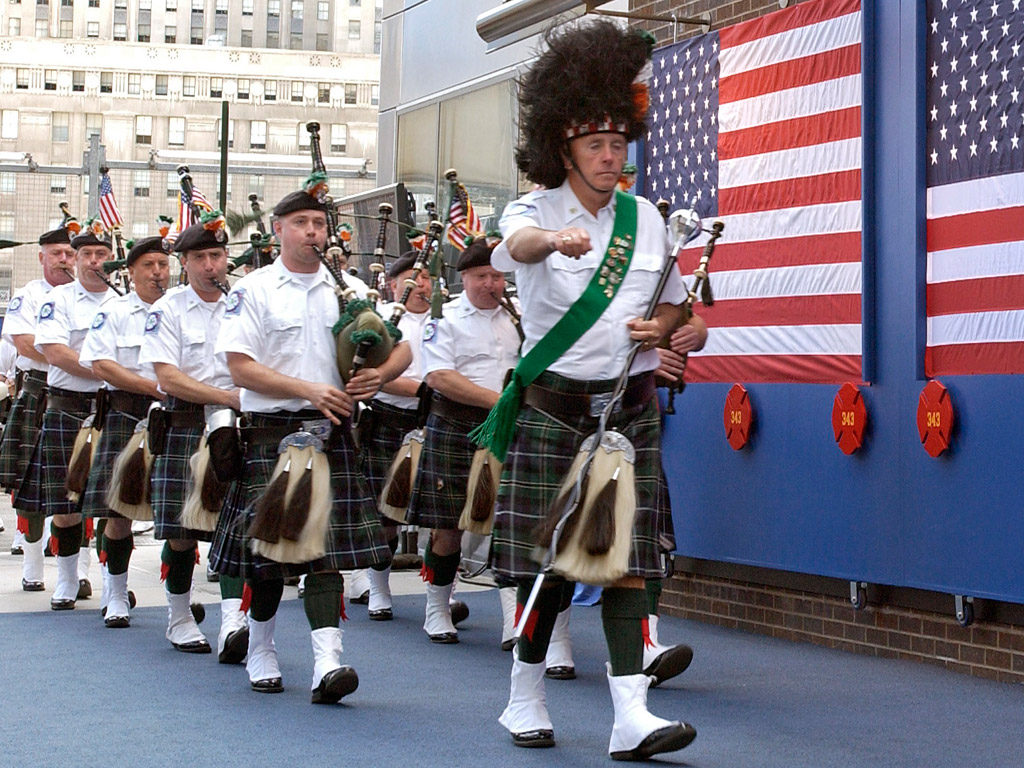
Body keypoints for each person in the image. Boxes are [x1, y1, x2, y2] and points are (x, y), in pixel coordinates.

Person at [482, 19, 697, 760]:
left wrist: (664, 327)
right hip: (554, 412)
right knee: (551, 564)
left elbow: (680, 307)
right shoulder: (534, 210)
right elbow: (511, 250)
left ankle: (630, 715)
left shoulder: (649, 221)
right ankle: (524, 696)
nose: (611, 158)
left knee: (628, 563)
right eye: (595, 146)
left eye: (617, 145)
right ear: (563, 147)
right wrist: (556, 241)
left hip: (628, 412)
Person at [212, 188, 409, 702]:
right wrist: (308, 389)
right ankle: (261, 649)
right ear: (279, 229)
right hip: (271, 433)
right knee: (267, 557)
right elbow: (239, 367)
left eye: (319, 223)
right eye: (300, 222)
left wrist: (379, 375)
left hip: (333, 434)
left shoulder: (347, 291)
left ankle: (328, 663)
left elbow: (406, 342)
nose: (312, 232)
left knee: (325, 556)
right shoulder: (254, 290)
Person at [138, 218, 246, 656]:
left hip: (237, 427)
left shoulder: (244, 303)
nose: (209, 265)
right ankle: (179, 618)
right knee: (181, 533)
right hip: (185, 424)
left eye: (216, 256)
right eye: (199, 257)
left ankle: (234, 624)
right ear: (184, 263)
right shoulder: (168, 310)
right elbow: (167, 377)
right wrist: (227, 396)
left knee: (236, 526)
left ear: (226, 260)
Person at [409, 237, 520, 644]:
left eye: (496, 275)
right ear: (464, 278)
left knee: (511, 525)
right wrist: (501, 403)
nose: (491, 284)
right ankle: (437, 607)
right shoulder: (443, 319)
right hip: (457, 426)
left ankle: (514, 618)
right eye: (481, 276)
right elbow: (438, 377)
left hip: (509, 431)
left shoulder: (519, 317)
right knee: (449, 526)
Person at [13, 222, 118, 609]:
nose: (94, 261)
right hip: (68, 406)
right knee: (64, 500)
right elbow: (54, 352)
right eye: (85, 254)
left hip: (115, 408)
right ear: (75, 259)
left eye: (101, 254)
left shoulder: (122, 302)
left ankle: (113, 586)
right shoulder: (56, 300)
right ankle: (67, 579)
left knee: (115, 503)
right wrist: (109, 370)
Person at [78, 236, 170, 627]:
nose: (157, 273)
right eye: (148, 266)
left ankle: (178, 605)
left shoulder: (179, 310)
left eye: (163, 265)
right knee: (119, 513)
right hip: (127, 414)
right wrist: (156, 387)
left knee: (176, 514)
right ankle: (115, 593)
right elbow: (101, 364)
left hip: (177, 416)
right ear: (130, 272)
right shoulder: (113, 312)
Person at [355, 250, 432, 620]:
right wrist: (422, 390)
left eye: (427, 279)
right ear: (393, 285)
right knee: (386, 510)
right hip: (389, 419)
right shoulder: (384, 320)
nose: (421, 287)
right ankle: (379, 588)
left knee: (441, 514)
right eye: (412, 281)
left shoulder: (445, 319)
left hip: (435, 421)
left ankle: (440, 596)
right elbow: (372, 376)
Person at [0, 227, 76, 569]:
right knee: (30, 491)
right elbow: (24, 343)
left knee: (80, 487)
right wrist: (71, 358)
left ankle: (78, 570)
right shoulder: (29, 294)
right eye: (57, 253)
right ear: (41, 256)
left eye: (69, 253)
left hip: (80, 393)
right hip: (39, 390)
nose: (64, 259)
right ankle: (32, 566)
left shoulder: (89, 295)